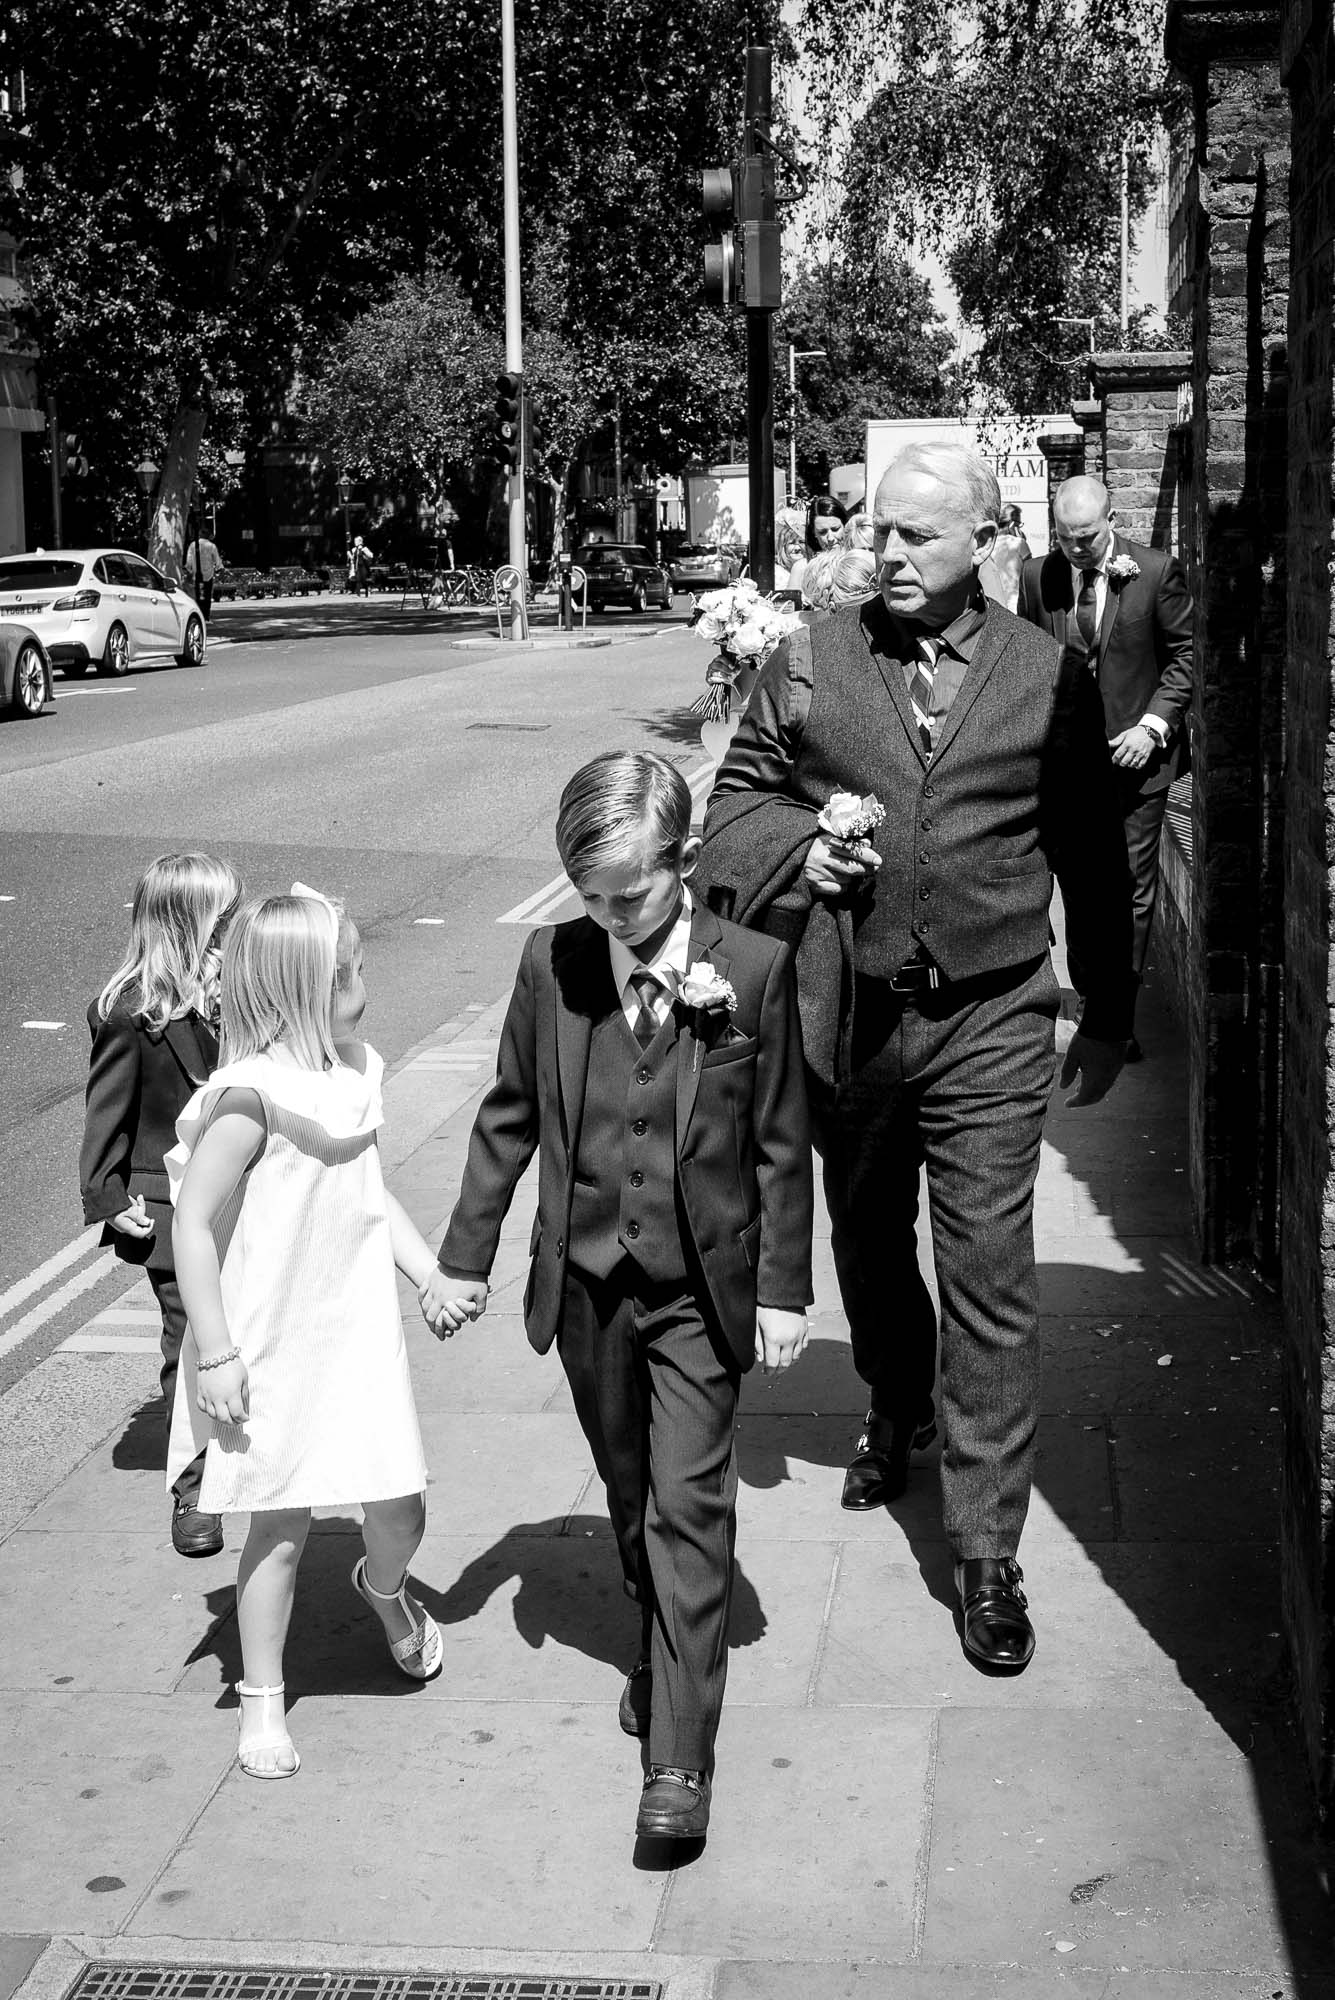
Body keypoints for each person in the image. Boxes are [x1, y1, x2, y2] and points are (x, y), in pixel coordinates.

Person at [696, 441, 1135, 1673]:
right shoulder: (810, 661)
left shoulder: (1051, 675)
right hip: (852, 1012)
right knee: (870, 1236)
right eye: (880, 532)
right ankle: (895, 1395)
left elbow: (1093, 852)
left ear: (984, 539)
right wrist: (801, 854)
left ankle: (987, 1549)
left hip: (994, 1011)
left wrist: (1105, 1008)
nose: (885, 553)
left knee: (991, 1267)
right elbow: (731, 807)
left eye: (916, 538)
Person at [420, 750, 813, 1842]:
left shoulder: (754, 966)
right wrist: (462, 1257)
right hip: (587, 1281)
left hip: (700, 1287)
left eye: (628, 894)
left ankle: (679, 1761)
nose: (609, 915)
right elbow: (507, 1115)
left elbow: (781, 1143)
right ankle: (655, 1629)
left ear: (682, 862)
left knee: (691, 1499)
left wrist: (786, 1288)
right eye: (587, 895)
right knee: (630, 1482)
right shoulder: (552, 964)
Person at [167, 889, 443, 1779]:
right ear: (301, 991)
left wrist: (429, 1271)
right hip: (272, 1339)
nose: (365, 980)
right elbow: (192, 1225)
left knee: (401, 1503)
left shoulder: (356, 1068)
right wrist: (215, 1352)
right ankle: (262, 1705)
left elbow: (368, 1193)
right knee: (279, 1529)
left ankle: (384, 1587)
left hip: (357, 1329)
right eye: (351, 972)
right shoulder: (248, 1099)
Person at [80, 853, 243, 1559]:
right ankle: (195, 1488)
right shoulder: (130, 1013)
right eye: (226, 916)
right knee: (192, 1337)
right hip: (168, 1201)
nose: (236, 925)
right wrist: (108, 1196)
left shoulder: (239, 988)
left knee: (244, 1323)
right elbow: (106, 1111)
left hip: (242, 1186)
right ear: (190, 924)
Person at [1017, 475, 1194, 1059]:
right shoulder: (1035, 577)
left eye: (1087, 537)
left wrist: (1152, 727)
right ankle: (1092, 991)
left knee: (1132, 890)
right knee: (1076, 885)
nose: (1075, 549)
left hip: (1136, 764)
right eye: (1065, 538)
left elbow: (1183, 660)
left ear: (1111, 519)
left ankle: (1116, 1013)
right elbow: (1027, 660)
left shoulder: (1156, 572)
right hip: (1064, 767)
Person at [788, 494, 848, 596]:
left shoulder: (858, 560)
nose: (830, 538)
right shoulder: (802, 568)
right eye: (822, 532)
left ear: (846, 526)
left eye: (835, 529)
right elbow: (789, 607)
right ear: (814, 533)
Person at [978, 502, 1030, 613]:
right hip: (1015, 605)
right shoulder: (1019, 544)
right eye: (1019, 524)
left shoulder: (986, 545)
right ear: (1012, 524)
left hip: (991, 604)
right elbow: (1030, 573)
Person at [187, 530, 222, 620]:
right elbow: (217, 560)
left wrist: (189, 569)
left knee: (199, 595)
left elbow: (189, 561)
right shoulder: (211, 546)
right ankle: (206, 615)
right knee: (207, 595)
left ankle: (200, 614)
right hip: (208, 575)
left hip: (197, 575)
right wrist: (219, 567)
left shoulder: (193, 545)